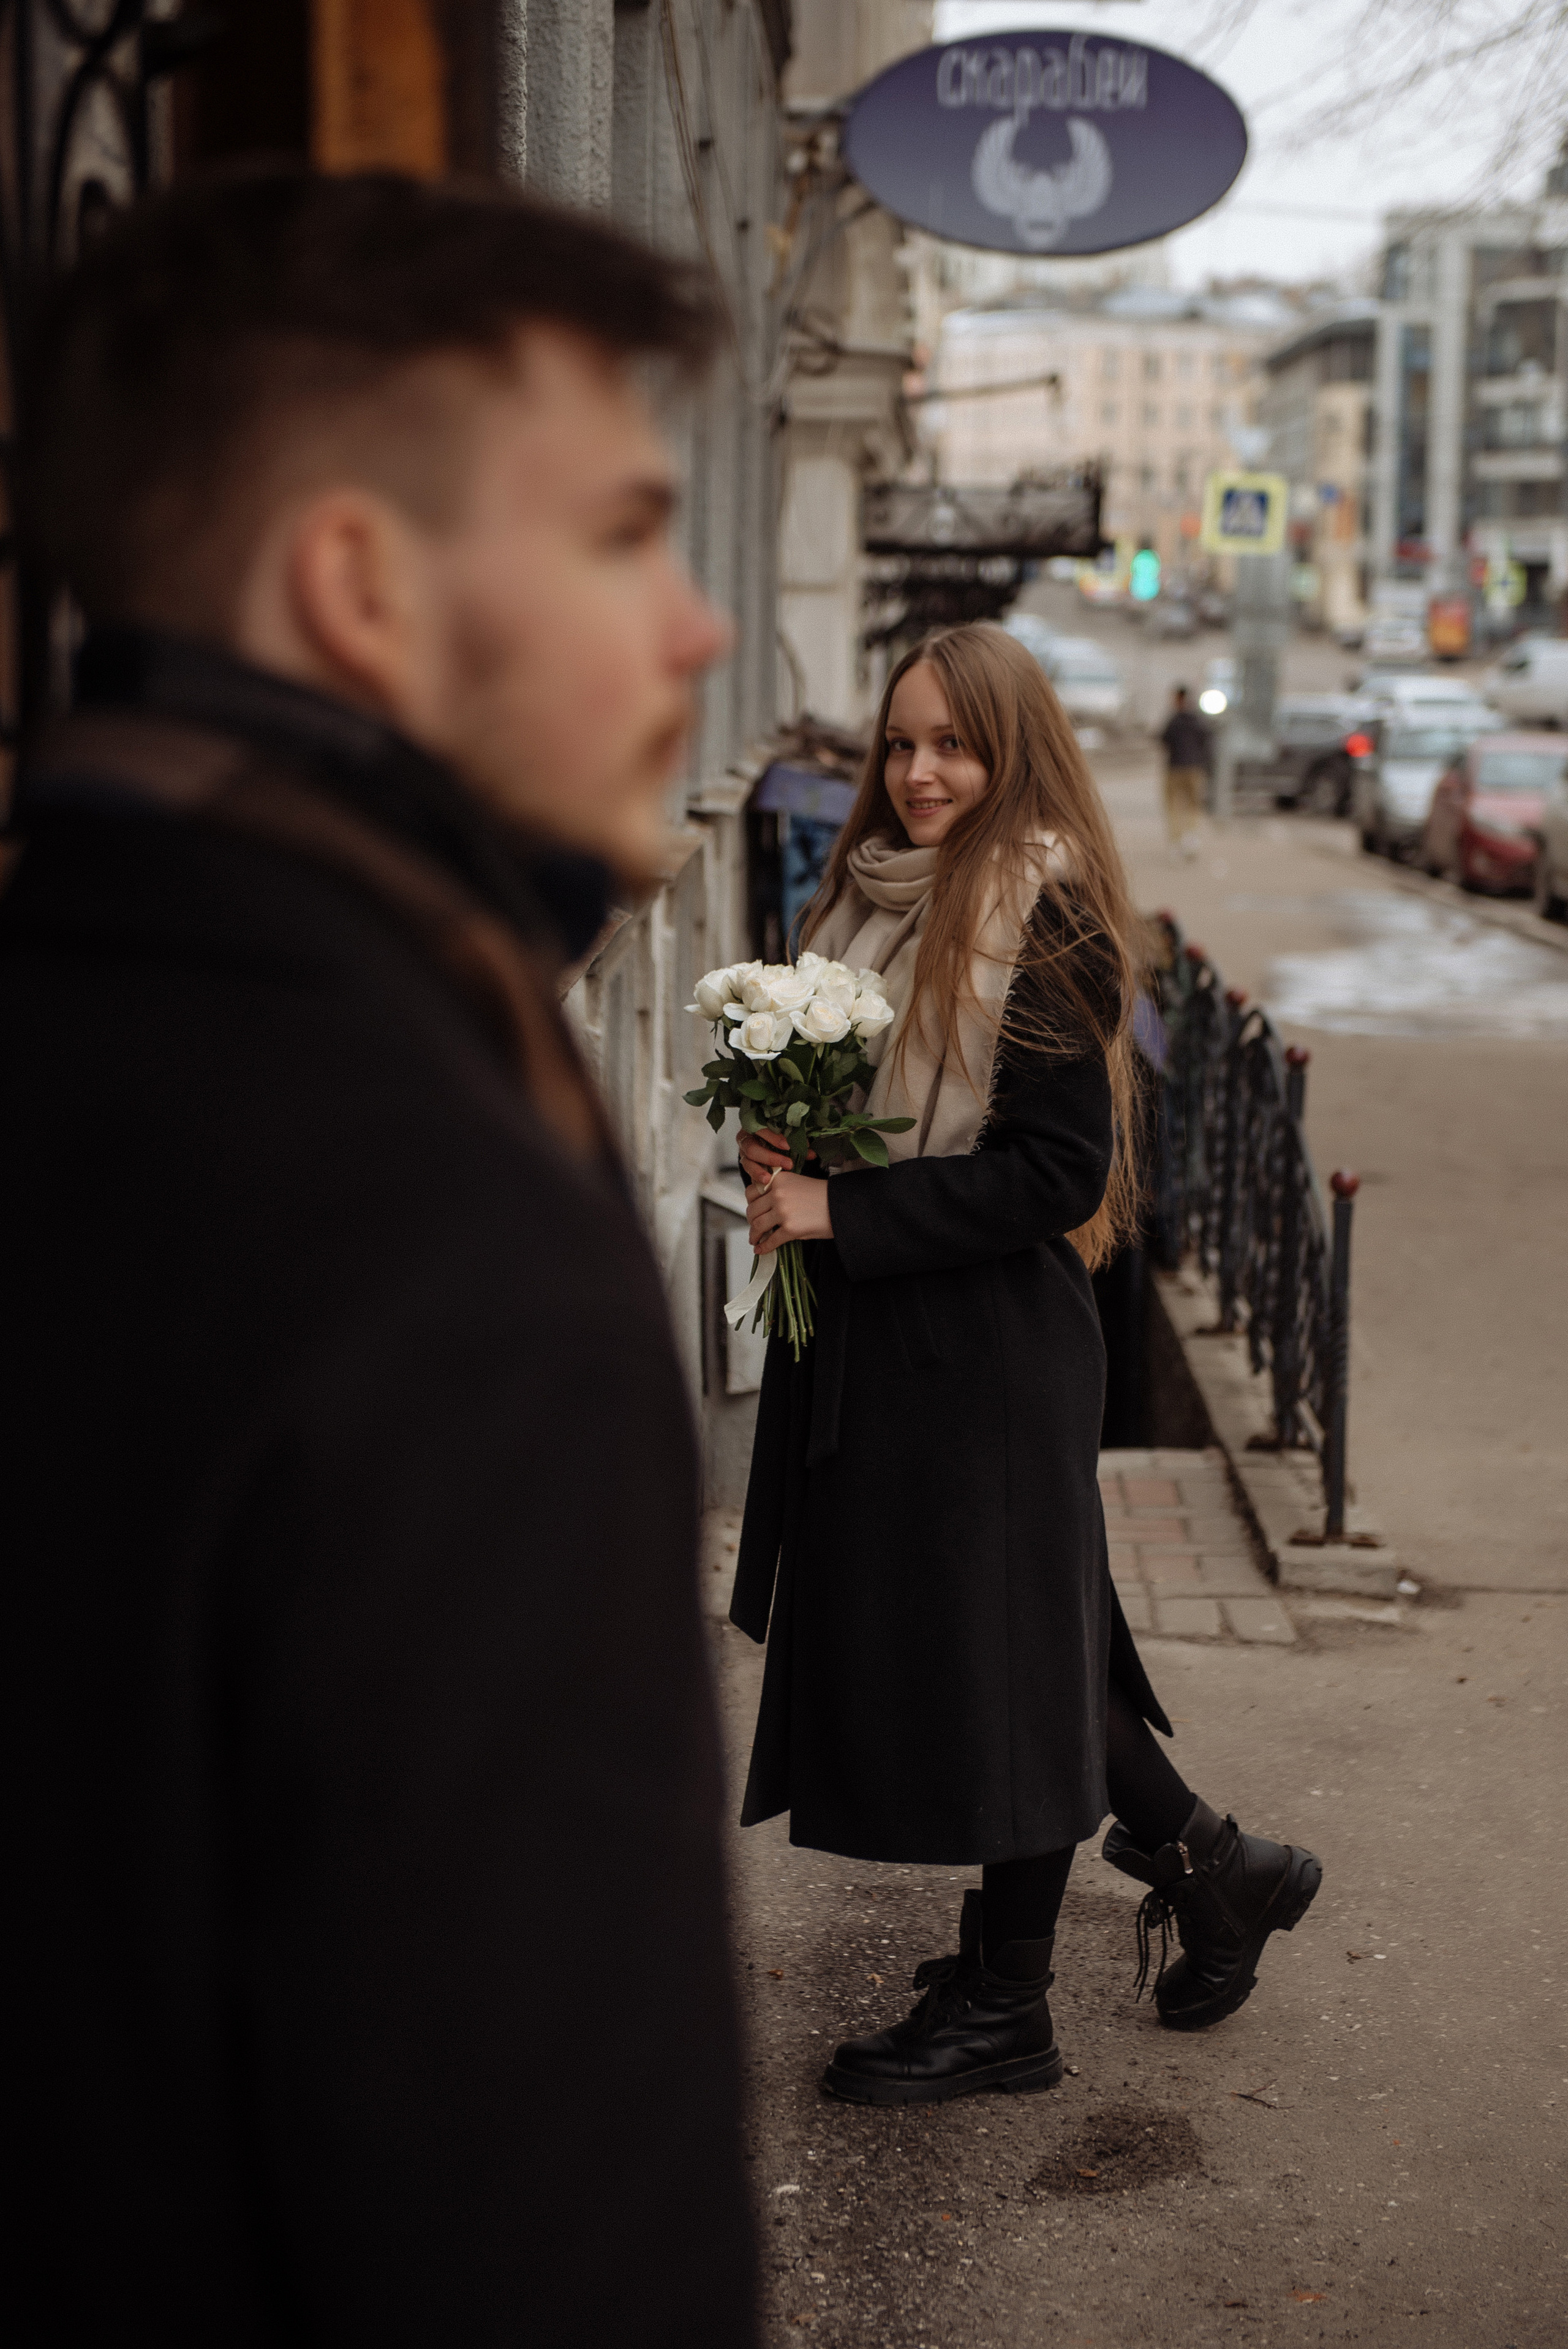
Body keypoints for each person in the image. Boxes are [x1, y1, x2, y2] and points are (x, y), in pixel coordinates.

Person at [2, 170, 754, 2341]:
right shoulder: (430, 1227)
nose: (696, 625)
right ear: (359, 587)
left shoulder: (83, 1009)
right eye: (624, 533)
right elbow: (538, 2185)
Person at [730, 624, 1321, 2107]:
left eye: (953, 745)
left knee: (1003, 1663)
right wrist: (787, 1148)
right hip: (895, 1334)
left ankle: (1008, 2004)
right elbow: (870, 1108)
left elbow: (1055, 1169)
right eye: (900, 741)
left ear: (1011, 753)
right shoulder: (868, 900)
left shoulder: (1037, 910)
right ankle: (1212, 1865)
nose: (920, 772)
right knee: (1017, 1652)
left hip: (984, 1347)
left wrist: (836, 1206)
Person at [1159, 682, 1212, 857]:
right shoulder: (1198, 720)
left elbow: (1163, 740)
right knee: (1193, 805)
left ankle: (1177, 841)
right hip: (1195, 768)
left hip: (1175, 768)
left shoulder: (1174, 720)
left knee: (1173, 806)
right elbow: (1207, 740)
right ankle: (1190, 837)